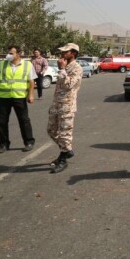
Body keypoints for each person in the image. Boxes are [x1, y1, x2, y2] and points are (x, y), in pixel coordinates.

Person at [47, 43, 84, 173]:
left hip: (67, 106)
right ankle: (67, 150)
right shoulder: (65, 66)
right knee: (51, 130)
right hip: (56, 104)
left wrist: (62, 70)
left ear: (73, 53)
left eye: (65, 52)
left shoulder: (77, 68)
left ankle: (63, 159)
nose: (62, 54)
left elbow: (69, 85)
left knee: (65, 134)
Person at [0, 45, 37, 153]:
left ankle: (29, 142)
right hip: (3, 97)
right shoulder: (2, 64)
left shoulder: (27, 65)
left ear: (18, 54)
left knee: (24, 120)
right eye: (8, 52)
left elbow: (31, 81)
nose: (8, 55)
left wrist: (31, 95)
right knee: (1, 122)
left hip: (19, 96)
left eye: (11, 53)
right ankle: (4, 144)